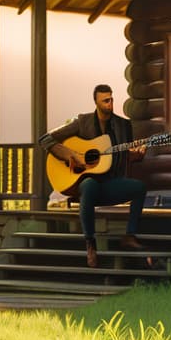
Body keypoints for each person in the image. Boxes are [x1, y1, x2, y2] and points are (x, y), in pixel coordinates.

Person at [39, 84, 147, 267]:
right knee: (89, 185)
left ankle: (129, 236)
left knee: (139, 187)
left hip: (110, 183)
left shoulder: (123, 125)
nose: (110, 103)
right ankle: (91, 244)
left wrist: (135, 155)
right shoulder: (82, 122)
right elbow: (45, 139)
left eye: (111, 99)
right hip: (85, 183)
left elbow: (124, 154)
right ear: (96, 101)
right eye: (105, 100)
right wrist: (70, 155)